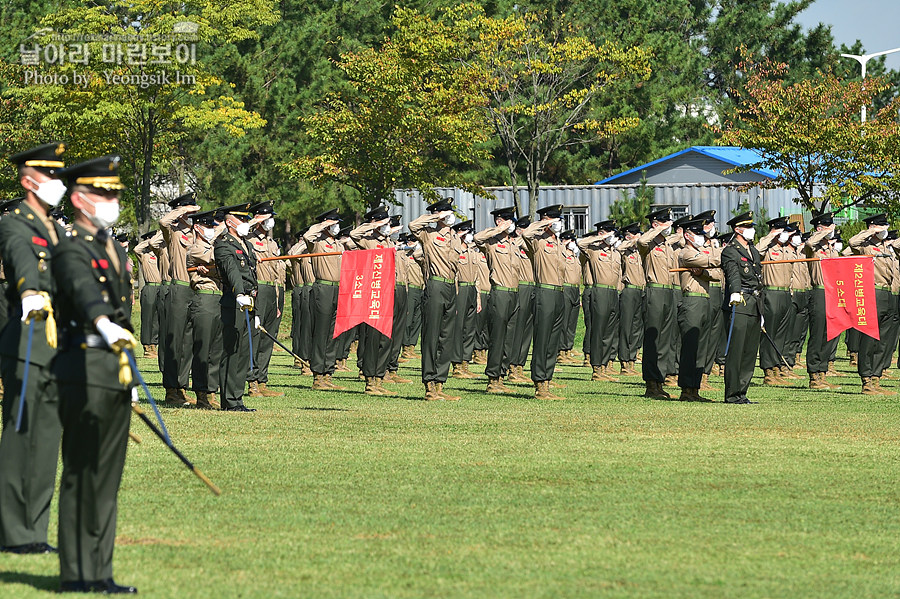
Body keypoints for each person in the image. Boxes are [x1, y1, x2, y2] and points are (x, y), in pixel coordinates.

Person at [52, 155, 137, 593]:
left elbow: (125, 309)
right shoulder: (69, 246)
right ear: (80, 198)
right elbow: (83, 289)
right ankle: (76, 573)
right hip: (82, 364)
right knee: (82, 470)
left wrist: (132, 373)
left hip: (115, 369)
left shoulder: (113, 245)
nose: (112, 200)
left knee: (108, 476)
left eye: (115, 193)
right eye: (104, 193)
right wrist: (103, 322)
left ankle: (100, 570)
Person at [0, 142, 67, 555]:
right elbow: (23, 261)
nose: (58, 184)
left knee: (47, 441)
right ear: (28, 181)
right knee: (21, 436)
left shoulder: (58, 230)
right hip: (25, 339)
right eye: (51, 176)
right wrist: (30, 294)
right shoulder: (14, 223)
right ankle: (13, 532)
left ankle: (36, 531)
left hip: (57, 345)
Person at [408, 198, 462, 401]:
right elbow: (413, 225)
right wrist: (434, 217)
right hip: (435, 285)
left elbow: (456, 268)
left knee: (446, 338)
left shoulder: (455, 238)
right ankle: (429, 384)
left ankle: (440, 383)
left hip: (450, 287)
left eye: (450, 211)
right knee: (431, 337)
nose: (449, 215)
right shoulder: (428, 234)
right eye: (446, 212)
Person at [214, 203, 261, 412]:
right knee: (232, 353)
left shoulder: (247, 245)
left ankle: (237, 398)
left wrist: (255, 310)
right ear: (230, 221)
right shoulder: (224, 244)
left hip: (248, 303)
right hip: (234, 302)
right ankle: (229, 401)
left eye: (246, 219)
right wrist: (239, 293)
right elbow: (232, 271)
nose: (245, 223)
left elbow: (252, 276)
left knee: (243, 353)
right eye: (241, 219)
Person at [349, 206, 401, 395]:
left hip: (389, 292)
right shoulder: (368, 240)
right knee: (373, 338)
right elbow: (354, 235)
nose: (388, 226)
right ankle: (370, 379)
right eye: (385, 223)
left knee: (386, 339)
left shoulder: (388, 242)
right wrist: (372, 225)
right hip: (374, 293)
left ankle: (379, 377)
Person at [158, 192, 201, 407]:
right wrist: (182, 210)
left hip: (196, 289)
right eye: (191, 209)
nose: (194, 213)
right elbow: (163, 221)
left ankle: (182, 387)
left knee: (188, 341)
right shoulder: (173, 233)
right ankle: (171, 389)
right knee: (174, 341)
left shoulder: (197, 233)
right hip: (179, 288)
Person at [521, 204, 567, 400]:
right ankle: (539, 383)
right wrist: (543, 224)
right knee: (542, 340)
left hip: (559, 293)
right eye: (554, 219)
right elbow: (525, 234)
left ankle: (547, 380)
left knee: (553, 341)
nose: (558, 223)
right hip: (544, 292)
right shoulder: (538, 241)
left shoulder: (558, 243)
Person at [473, 206, 520, 393]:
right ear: (500, 221)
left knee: (509, 338)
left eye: (512, 220)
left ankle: (502, 376)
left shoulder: (514, 244)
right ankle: (493, 379)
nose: (511, 224)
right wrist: (498, 229)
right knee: (498, 338)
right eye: (507, 220)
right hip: (499, 292)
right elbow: (477, 238)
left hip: (514, 293)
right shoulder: (491, 242)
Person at [849, 213, 897, 395]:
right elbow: (852, 242)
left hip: (888, 292)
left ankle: (876, 378)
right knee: (869, 339)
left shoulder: (889, 247)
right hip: (872, 292)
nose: (884, 229)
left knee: (883, 340)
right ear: (873, 227)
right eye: (881, 226)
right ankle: (866, 379)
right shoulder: (866, 246)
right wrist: (869, 232)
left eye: (885, 226)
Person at [721, 211, 763, 404]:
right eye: (748, 227)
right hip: (740, 301)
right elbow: (733, 274)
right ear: (738, 230)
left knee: (749, 351)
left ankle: (742, 392)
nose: (751, 230)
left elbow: (757, 276)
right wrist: (735, 292)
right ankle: (732, 394)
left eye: (752, 227)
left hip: (754, 302)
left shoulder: (753, 250)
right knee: (736, 350)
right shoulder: (730, 250)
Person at [676, 218, 719, 401]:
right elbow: (710, 261)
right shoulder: (686, 253)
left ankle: (696, 387)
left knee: (702, 347)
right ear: (687, 235)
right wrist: (724, 256)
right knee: (691, 346)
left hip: (705, 299)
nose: (701, 238)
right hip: (692, 300)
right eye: (697, 234)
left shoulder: (700, 254)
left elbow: (717, 274)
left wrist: (703, 273)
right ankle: (686, 389)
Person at [186, 209, 225, 410]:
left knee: (216, 350)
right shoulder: (196, 248)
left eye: (213, 226)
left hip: (218, 298)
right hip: (204, 299)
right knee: (203, 349)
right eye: (208, 226)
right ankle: (201, 393)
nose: (211, 230)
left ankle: (211, 391)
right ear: (198, 228)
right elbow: (217, 258)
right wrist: (221, 232)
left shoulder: (212, 246)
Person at [247, 201, 286, 398]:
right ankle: (251, 382)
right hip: (258, 289)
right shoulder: (249, 239)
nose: (271, 221)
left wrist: (278, 300)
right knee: (255, 336)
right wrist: (254, 222)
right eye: (268, 218)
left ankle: (262, 380)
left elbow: (278, 272)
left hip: (273, 291)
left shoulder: (272, 243)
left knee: (268, 338)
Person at [637, 208, 677, 399]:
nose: (669, 225)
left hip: (669, 291)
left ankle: (660, 380)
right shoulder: (649, 243)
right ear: (655, 224)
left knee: (664, 340)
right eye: (665, 222)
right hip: (654, 291)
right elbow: (640, 241)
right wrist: (656, 229)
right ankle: (651, 384)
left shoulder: (667, 244)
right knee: (653, 338)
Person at [304, 210, 346, 391]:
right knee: (321, 333)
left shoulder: (338, 244)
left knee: (334, 333)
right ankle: (318, 375)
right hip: (323, 288)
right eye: (334, 223)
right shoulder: (319, 242)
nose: (337, 226)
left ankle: (328, 372)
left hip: (339, 288)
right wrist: (323, 225)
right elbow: (307, 236)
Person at [578, 220, 622, 382]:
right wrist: (599, 237)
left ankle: (604, 366)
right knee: (598, 331)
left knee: (609, 332)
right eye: (608, 232)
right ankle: (596, 368)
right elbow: (581, 243)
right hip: (600, 291)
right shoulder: (594, 250)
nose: (611, 236)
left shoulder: (616, 253)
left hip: (613, 292)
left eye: (612, 232)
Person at [755, 217, 797, 385]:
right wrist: (770, 236)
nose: (785, 235)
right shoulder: (768, 247)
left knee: (781, 334)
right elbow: (756, 251)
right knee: (769, 333)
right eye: (782, 231)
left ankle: (777, 368)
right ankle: (767, 371)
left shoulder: (788, 249)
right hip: (771, 293)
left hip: (786, 293)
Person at [803, 213, 841, 390]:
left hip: (833, 292)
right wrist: (821, 233)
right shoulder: (815, 246)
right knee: (817, 334)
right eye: (827, 226)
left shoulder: (831, 249)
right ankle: (814, 374)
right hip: (819, 291)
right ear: (819, 228)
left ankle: (823, 371)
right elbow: (809, 243)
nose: (831, 229)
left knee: (830, 333)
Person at [450, 219, 480, 380]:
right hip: (459, 289)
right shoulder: (455, 251)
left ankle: (465, 362)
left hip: (471, 290)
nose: (470, 236)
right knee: (458, 328)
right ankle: (456, 365)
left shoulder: (472, 252)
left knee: (469, 329)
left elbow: (477, 278)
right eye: (467, 233)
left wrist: (479, 298)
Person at [508, 216, 535, 383]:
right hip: (522, 287)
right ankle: (512, 366)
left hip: (533, 286)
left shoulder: (531, 246)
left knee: (527, 330)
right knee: (518, 329)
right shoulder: (515, 244)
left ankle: (520, 366)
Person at [616, 222, 645, 375]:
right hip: (629, 291)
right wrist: (631, 241)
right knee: (626, 328)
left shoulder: (642, 251)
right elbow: (618, 248)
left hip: (641, 291)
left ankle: (632, 360)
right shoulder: (625, 251)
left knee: (637, 329)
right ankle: (624, 362)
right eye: (636, 234)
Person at [133, 230, 162, 359]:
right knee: (148, 318)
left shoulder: (160, 252)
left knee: (158, 319)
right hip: (150, 287)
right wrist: (149, 241)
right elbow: (136, 249)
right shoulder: (144, 254)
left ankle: (154, 344)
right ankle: (147, 346)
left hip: (161, 288)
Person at [558, 230, 582, 364]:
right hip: (565, 288)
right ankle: (561, 352)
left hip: (575, 289)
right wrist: (563, 245)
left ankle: (568, 349)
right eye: (570, 240)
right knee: (564, 322)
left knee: (572, 322)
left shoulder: (574, 255)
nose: (572, 243)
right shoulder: (561, 254)